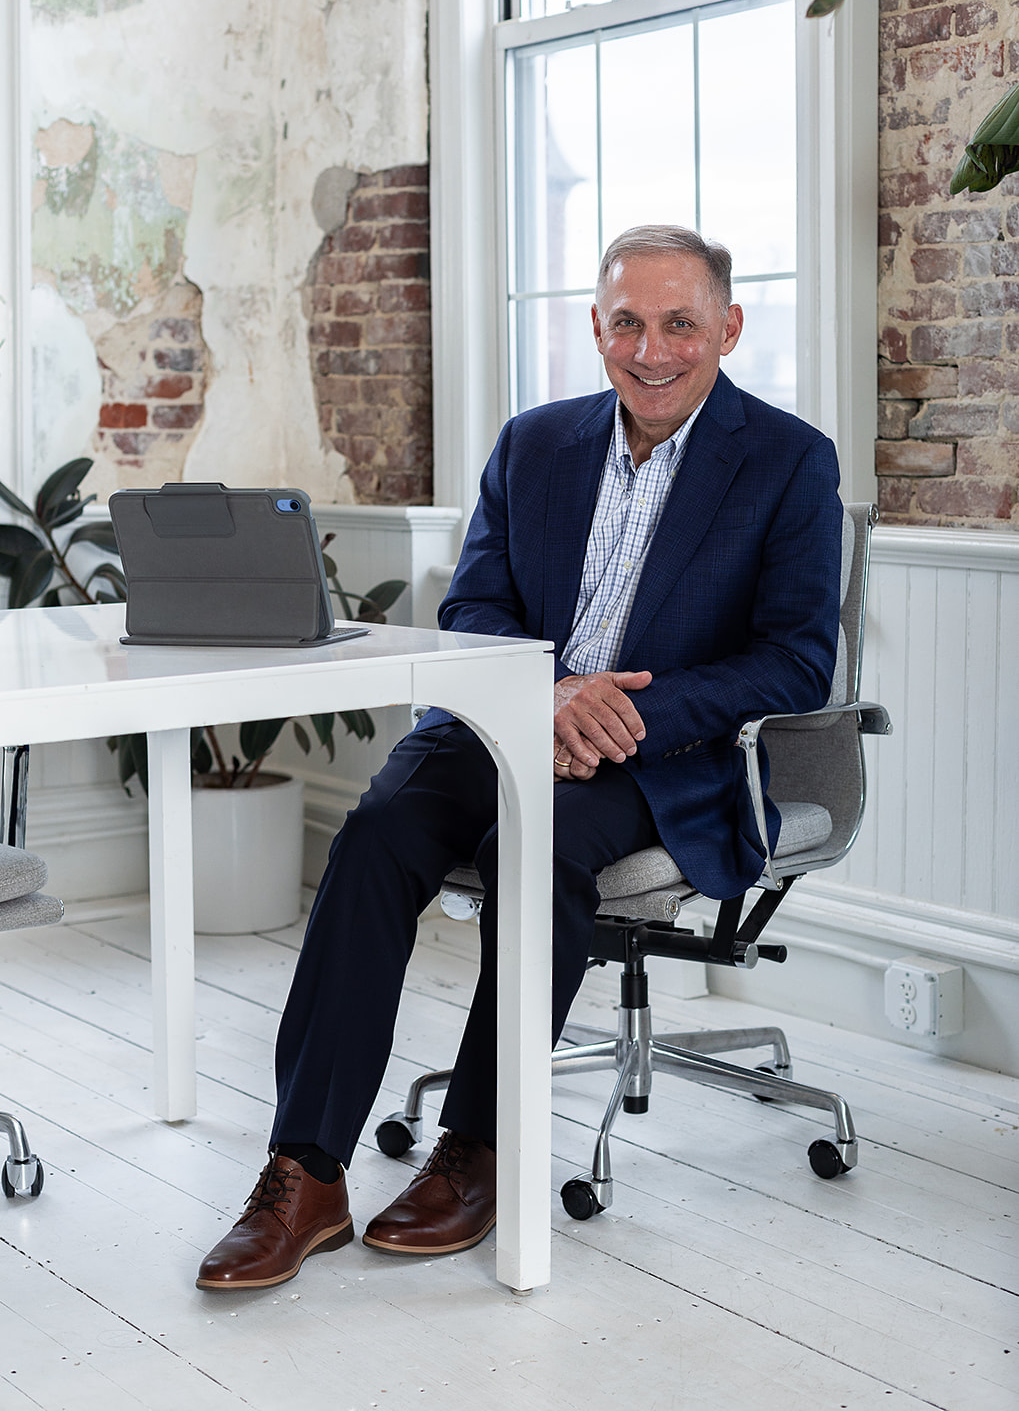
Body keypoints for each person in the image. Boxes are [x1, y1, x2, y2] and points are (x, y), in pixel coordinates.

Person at [196, 224, 843, 1290]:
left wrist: (614, 713)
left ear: (726, 327)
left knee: (528, 847)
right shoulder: (533, 442)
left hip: (655, 753)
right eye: (626, 322)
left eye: (679, 322)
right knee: (372, 840)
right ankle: (304, 1169)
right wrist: (546, 696)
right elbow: (476, 605)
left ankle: (477, 1148)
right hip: (506, 714)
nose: (650, 348)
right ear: (594, 327)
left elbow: (792, 661)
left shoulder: (783, 460)